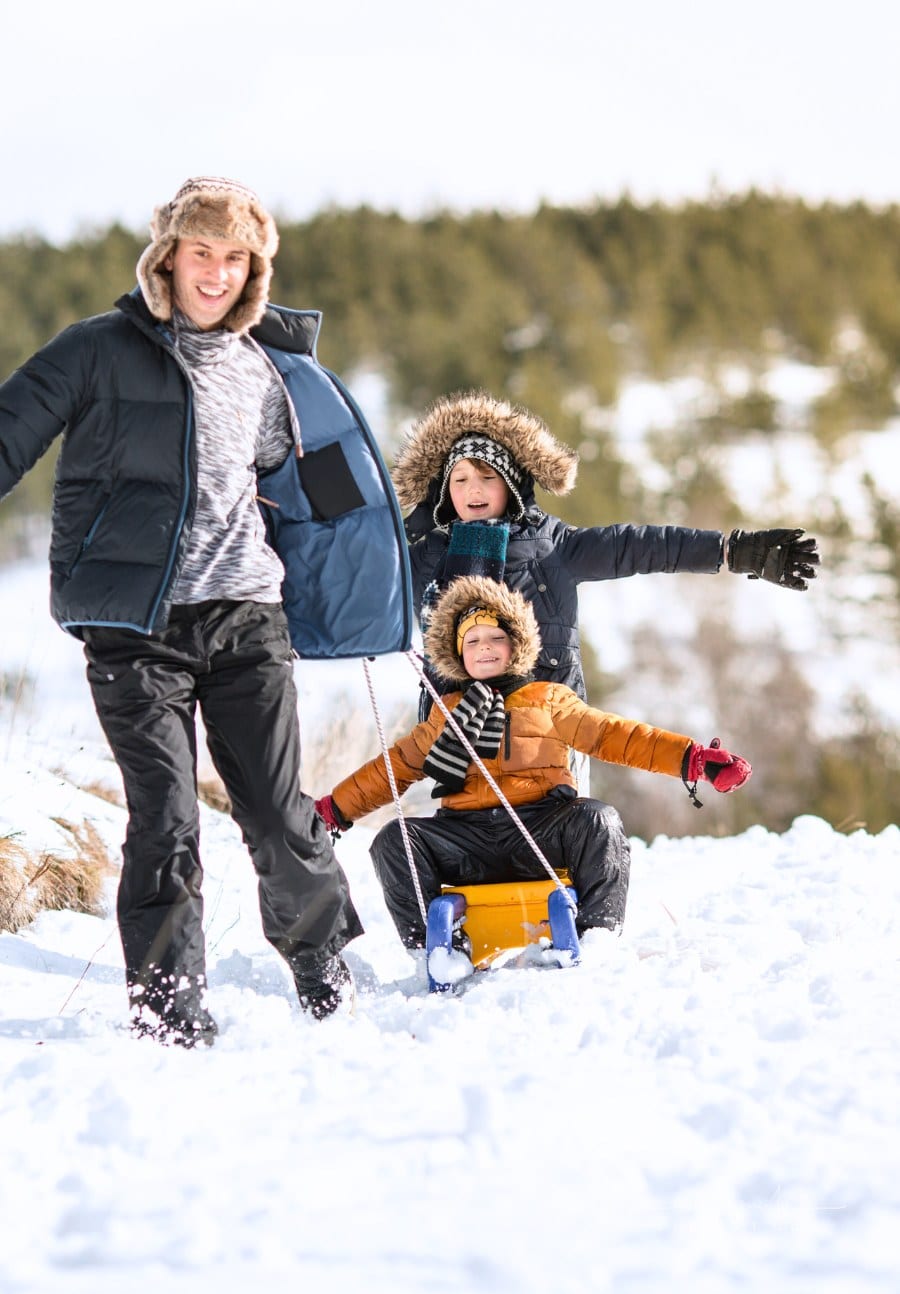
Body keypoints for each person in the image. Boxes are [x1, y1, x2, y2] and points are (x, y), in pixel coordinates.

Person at [0, 176, 411, 1044]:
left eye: (235, 258)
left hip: (247, 617)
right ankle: (166, 1003)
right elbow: (9, 430)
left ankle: (321, 963)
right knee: (166, 819)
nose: (216, 273)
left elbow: (321, 497)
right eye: (201, 253)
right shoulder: (96, 350)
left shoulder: (276, 372)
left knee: (273, 810)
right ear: (168, 256)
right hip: (134, 624)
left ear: (254, 269)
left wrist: (384, 571)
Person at [314, 575, 751, 954]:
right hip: (469, 840)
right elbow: (395, 767)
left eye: (495, 638)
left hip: (542, 830)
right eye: (472, 641)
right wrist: (333, 810)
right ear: (457, 653)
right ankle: (434, 946)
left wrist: (693, 760)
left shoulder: (548, 699)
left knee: (599, 821)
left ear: (515, 644)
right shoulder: (445, 713)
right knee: (396, 840)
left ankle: (596, 936)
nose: (485, 648)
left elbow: (616, 736)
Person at [391, 390, 820, 713]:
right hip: (456, 742)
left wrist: (731, 551)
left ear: (512, 484)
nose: (473, 490)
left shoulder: (553, 546)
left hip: (550, 728)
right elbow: (351, 581)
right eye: (460, 479)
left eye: (486, 476)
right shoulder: (423, 558)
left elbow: (640, 546)